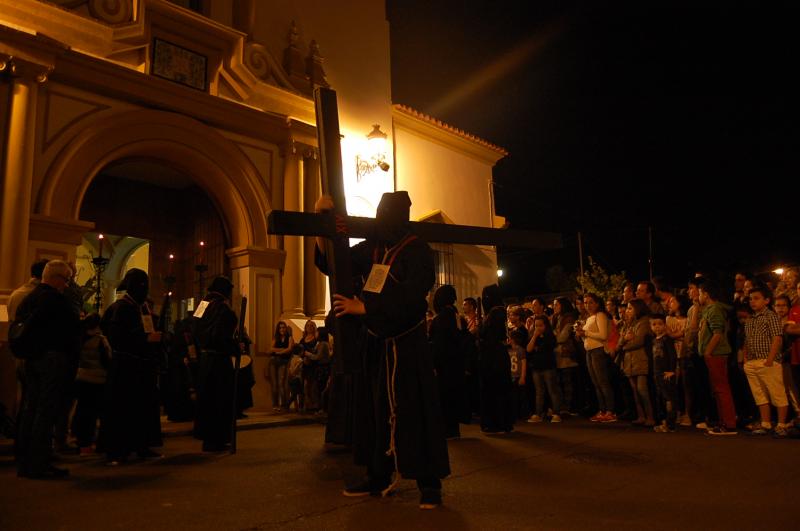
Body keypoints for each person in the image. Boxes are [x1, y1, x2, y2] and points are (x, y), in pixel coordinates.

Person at [315, 191, 449, 510]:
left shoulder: (417, 250)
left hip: (407, 346)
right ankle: (377, 476)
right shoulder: (374, 248)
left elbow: (413, 295)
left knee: (415, 411)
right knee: (374, 414)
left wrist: (366, 308)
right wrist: (322, 222)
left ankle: (429, 485)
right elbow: (337, 262)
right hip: (376, 346)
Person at [14, 260, 81, 479]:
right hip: (51, 360)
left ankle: (25, 461)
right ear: (56, 278)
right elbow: (70, 330)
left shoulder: (29, 298)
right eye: (66, 280)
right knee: (46, 411)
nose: (66, 285)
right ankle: (40, 463)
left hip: (30, 361)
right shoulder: (54, 300)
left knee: (30, 410)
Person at [99, 268, 164, 464]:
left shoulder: (141, 307)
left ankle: (141, 446)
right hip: (125, 367)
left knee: (141, 409)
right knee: (121, 409)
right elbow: (117, 337)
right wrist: (145, 338)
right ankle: (117, 450)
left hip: (141, 367)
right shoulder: (121, 307)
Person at [191, 276, 238, 452]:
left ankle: (207, 439)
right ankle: (217, 439)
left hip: (204, 360)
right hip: (219, 361)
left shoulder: (202, 304)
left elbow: (194, 328)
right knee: (219, 400)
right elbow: (221, 336)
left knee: (206, 400)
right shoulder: (224, 309)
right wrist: (235, 347)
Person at [742, 286, 790, 437]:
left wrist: (770, 359)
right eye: (751, 299)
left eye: (756, 298)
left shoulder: (771, 316)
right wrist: (746, 359)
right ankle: (765, 423)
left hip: (767, 360)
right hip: (752, 361)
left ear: (767, 300)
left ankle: (782, 425)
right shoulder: (750, 319)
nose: (752, 302)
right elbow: (747, 340)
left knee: (777, 393)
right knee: (759, 394)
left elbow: (777, 338)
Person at [696, 278, 738, 436]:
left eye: (700, 293)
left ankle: (729, 424)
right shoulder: (708, 309)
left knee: (721, 388)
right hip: (712, 353)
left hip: (716, 354)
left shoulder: (714, 310)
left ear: (705, 294)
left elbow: (718, 333)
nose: (698, 296)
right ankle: (723, 422)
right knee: (717, 389)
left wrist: (708, 351)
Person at [429, 285, 468, 439]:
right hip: (456, 363)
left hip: (444, 364)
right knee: (453, 396)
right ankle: (453, 428)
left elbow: (437, 344)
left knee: (444, 397)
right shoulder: (457, 316)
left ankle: (447, 429)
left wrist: (433, 363)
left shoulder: (440, 319)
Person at [72, 313, 111, 455]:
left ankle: (82, 443)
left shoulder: (80, 339)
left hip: (81, 378)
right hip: (98, 379)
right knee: (95, 413)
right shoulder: (101, 340)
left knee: (83, 411)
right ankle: (91, 444)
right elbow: (107, 360)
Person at [576, 293, 616, 423]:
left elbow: (603, 335)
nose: (588, 305)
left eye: (591, 302)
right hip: (589, 351)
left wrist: (586, 332)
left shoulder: (600, 315)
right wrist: (581, 334)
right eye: (586, 302)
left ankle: (610, 410)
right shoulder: (589, 318)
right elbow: (588, 338)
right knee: (596, 383)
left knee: (603, 382)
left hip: (598, 350)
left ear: (597, 303)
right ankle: (602, 410)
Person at [618, 299, 655, 427]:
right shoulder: (629, 324)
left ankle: (650, 416)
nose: (627, 311)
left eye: (629, 308)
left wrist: (624, 345)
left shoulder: (644, 322)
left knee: (642, 389)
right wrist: (625, 340)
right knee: (634, 390)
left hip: (640, 358)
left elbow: (639, 341)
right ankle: (641, 416)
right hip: (629, 360)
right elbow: (621, 340)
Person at [480, 306, 515, 434]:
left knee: (491, 395)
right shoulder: (496, 338)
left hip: (489, 368)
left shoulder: (486, 333)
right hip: (497, 368)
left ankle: (493, 423)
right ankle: (500, 423)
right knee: (499, 395)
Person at [525, 316, 562, 423]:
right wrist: (534, 336)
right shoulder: (533, 336)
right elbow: (528, 349)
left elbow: (548, 348)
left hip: (548, 366)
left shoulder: (550, 336)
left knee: (552, 390)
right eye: (536, 325)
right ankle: (538, 413)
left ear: (546, 326)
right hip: (536, 367)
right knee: (539, 391)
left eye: (540, 325)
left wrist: (539, 342)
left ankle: (556, 413)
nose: (538, 328)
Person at [650, 314, 678, 432]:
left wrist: (672, 370)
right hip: (657, 373)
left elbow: (673, 355)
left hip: (666, 373)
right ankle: (663, 421)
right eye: (654, 324)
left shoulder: (667, 340)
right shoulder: (654, 341)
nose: (657, 327)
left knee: (668, 398)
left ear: (665, 325)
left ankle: (670, 423)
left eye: (660, 324)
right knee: (660, 397)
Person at [268, 321, 294, 411]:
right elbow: (270, 349)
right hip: (273, 362)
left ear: (286, 329)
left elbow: (289, 349)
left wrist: (278, 352)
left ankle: (283, 405)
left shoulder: (289, 338)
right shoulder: (276, 338)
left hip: (283, 362)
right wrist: (281, 349)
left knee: (281, 383)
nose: (282, 329)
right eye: (280, 328)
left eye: (283, 327)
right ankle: (275, 404)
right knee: (274, 384)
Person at [298, 320, 319, 412]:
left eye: (311, 325)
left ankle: (314, 406)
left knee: (313, 386)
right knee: (305, 385)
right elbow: (299, 351)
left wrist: (309, 355)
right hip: (304, 364)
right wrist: (303, 357)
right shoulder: (303, 339)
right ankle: (307, 405)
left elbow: (317, 352)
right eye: (308, 325)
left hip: (313, 364)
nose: (309, 327)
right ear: (305, 328)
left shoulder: (316, 339)